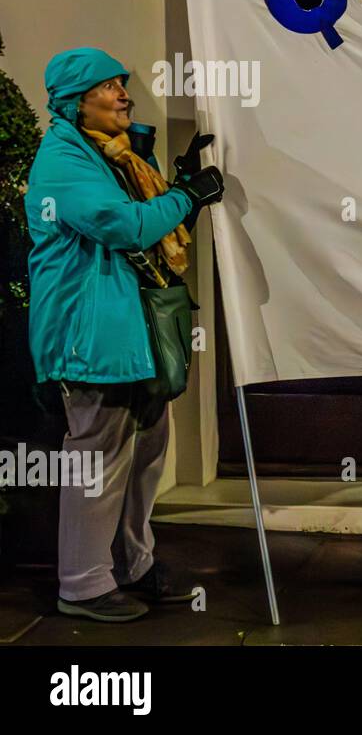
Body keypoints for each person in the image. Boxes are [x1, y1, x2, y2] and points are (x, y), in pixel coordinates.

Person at [25, 47, 224, 622]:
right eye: (109, 86)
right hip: (91, 339)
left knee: (148, 449)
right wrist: (186, 196)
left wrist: (177, 187)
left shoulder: (113, 156)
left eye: (121, 84)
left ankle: (132, 563)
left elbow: (154, 223)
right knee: (98, 456)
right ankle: (83, 584)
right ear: (75, 102)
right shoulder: (64, 159)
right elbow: (123, 226)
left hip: (131, 336)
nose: (124, 94)